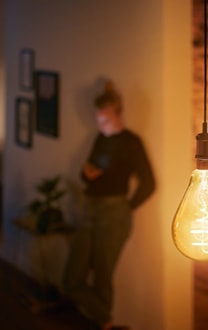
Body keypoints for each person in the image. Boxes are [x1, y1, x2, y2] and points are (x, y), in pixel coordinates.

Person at [63, 81, 156, 330]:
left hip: (114, 214)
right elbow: (88, 170)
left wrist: (127, 207)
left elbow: (149, 183)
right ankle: (106, 320)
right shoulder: (100, 138)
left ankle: (102, 322)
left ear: (119, 114)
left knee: (103, 276)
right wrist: (87, 174)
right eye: (98, 120)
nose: (100, 126)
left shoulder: (131, 142)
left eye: (105, 121)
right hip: (90, 209)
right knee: (72, 278)